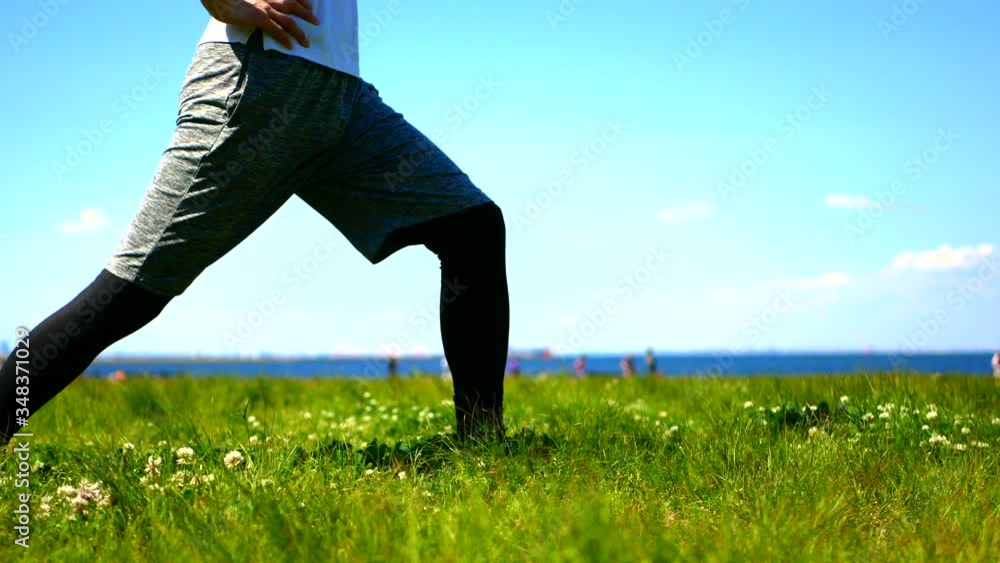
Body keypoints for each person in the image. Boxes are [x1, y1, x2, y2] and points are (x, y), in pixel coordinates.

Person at [0, 0, 510, 446]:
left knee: (473, 228)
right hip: (256, 81)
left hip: (343, 97)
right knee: (128, 293)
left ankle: (483, 445)